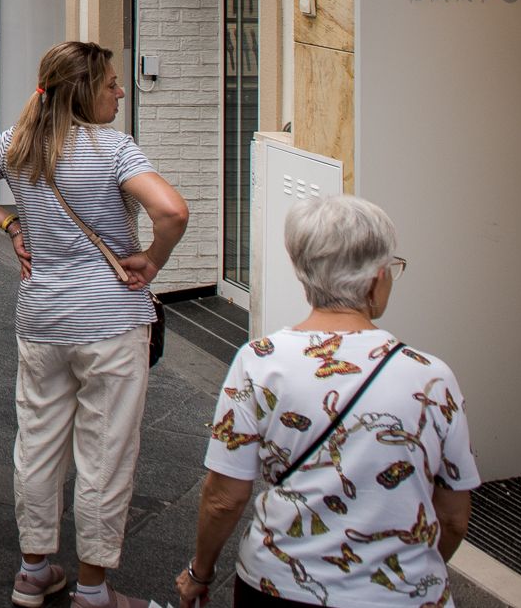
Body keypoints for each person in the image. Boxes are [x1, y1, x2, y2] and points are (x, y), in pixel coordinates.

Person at [0, 41, 191, 608]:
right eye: (111, 84)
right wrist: (153, 260)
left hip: (43, 321)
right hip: (111, 323)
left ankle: (33, 571)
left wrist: (9, 223)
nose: (120, 92)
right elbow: (172, 211)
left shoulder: (19, 142)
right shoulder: (114, 148)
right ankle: (93, 589)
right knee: (105, 453)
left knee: (37, 442)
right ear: (84, 92)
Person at [175, 198, 475, 608]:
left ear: (303, 274)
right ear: (377, 279)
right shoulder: (432, 377)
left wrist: (200, 571)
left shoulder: (260, 361)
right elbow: (454, 517)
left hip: (278, 584)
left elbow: (224, 498)